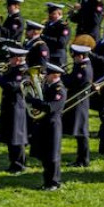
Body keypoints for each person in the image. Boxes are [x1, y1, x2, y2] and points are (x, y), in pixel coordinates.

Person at [26, 62, 66, 191]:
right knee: (45, 156)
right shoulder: (48, 86)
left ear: (54, 75)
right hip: (43, 124)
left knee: (52, 156)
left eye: (46, 74)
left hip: (53, 125)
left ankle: (54, 182)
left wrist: (33, 101)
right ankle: (47, 181)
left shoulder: (59, 89)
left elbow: (50, 107)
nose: (44, 76)